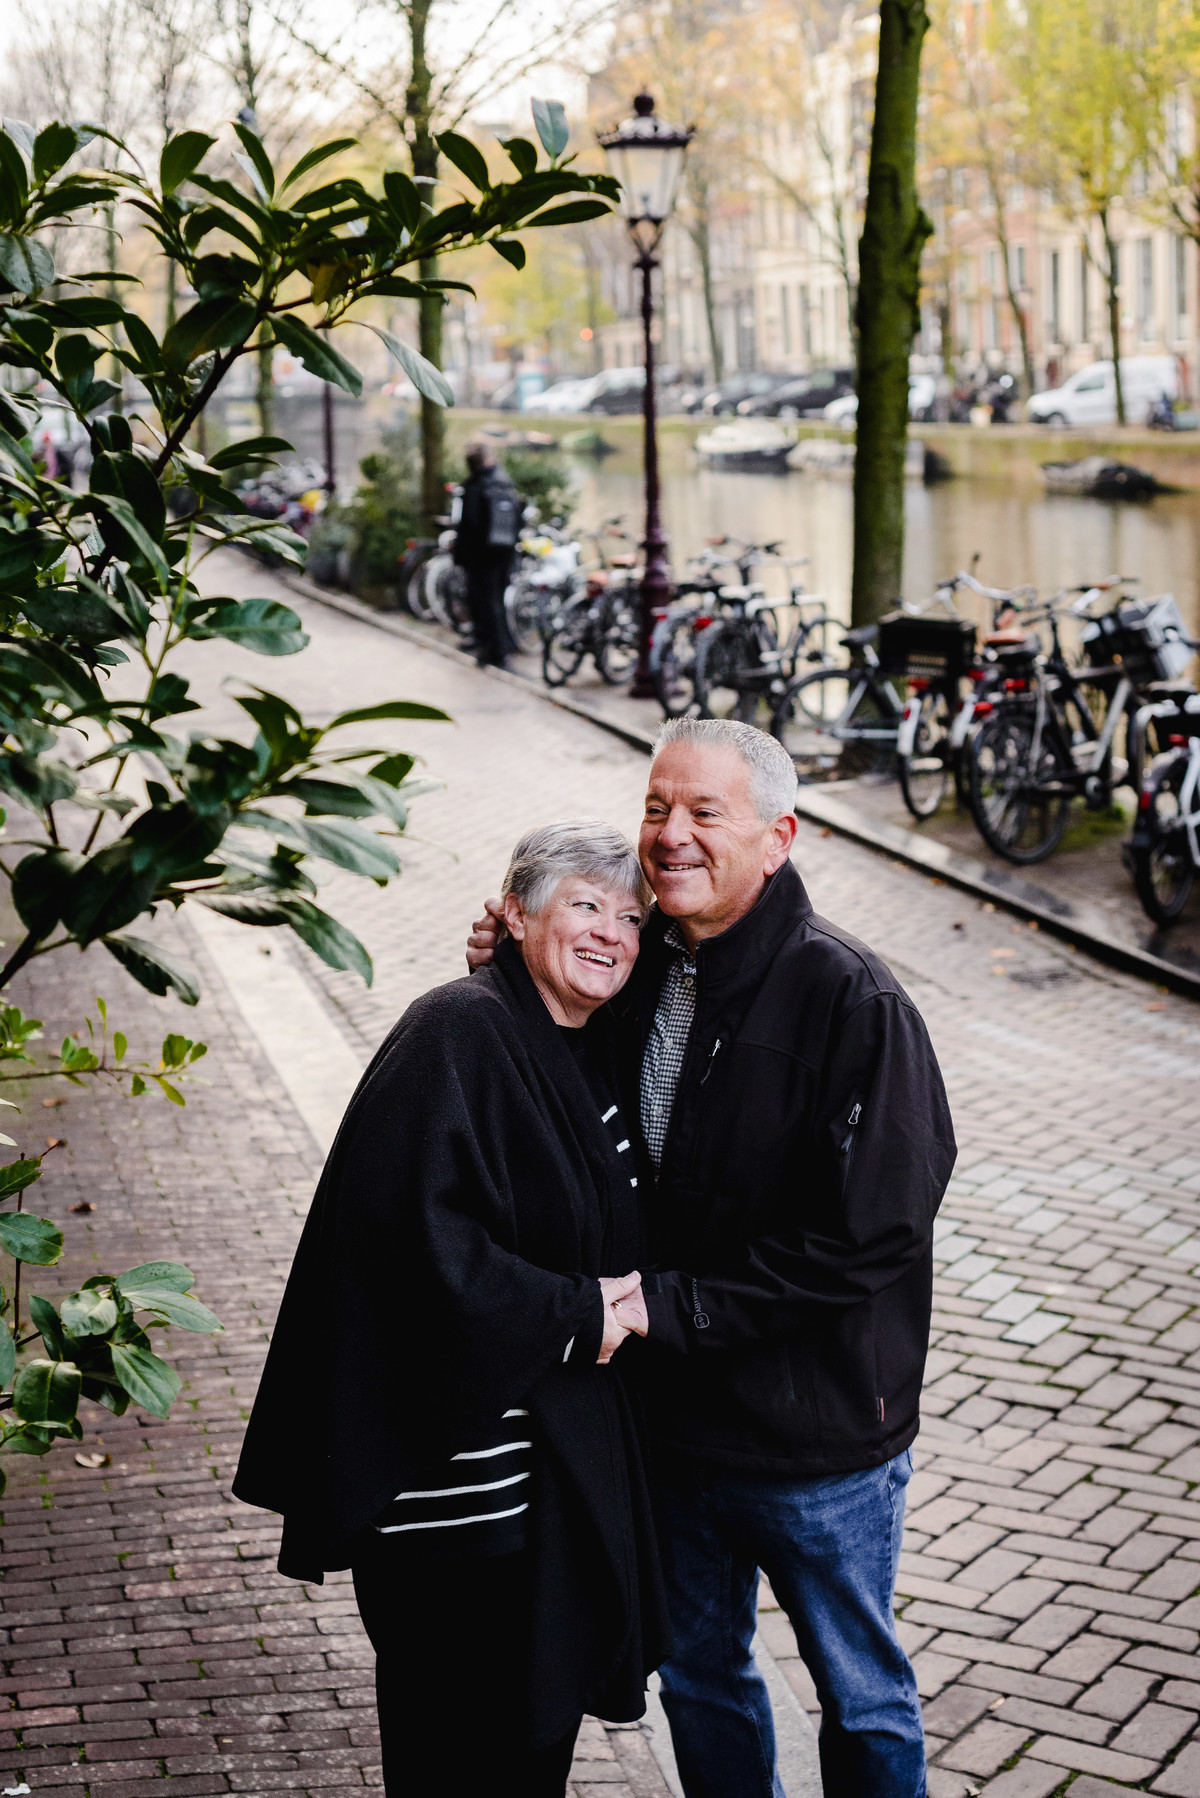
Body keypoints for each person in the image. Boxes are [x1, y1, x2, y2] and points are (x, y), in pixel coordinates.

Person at [467, 717, 957, 1798]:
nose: (669, 834)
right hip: (674, 1428)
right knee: (700, 1676)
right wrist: (517, 964)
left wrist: (676, 1306)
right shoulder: (646, 967)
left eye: (703, 812)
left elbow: (874, 1229)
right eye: (655, 807)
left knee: (861, 1695)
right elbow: (570, 1106)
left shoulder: (852, 998)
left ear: (778, 838)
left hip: (819, 1436)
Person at [234, 821, 671, 1798]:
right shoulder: (457, 1030)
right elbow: (411, 1243)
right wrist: (575, 1311)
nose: (610, 932)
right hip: (452, 1505)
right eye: (584, 906)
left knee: (527, 1761)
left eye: (630, 917)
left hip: (539, 1500)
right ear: (514, 914)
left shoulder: (589, 1052)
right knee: (449, 1764)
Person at [454, 436, 522, 668]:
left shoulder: (476, 485)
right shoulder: (504, 481)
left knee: (483, 600)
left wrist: (461, 555)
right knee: (497, 599)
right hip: (504, 551)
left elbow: (470, 525)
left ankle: (494, 650)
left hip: (482, 555)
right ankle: (503, 644)